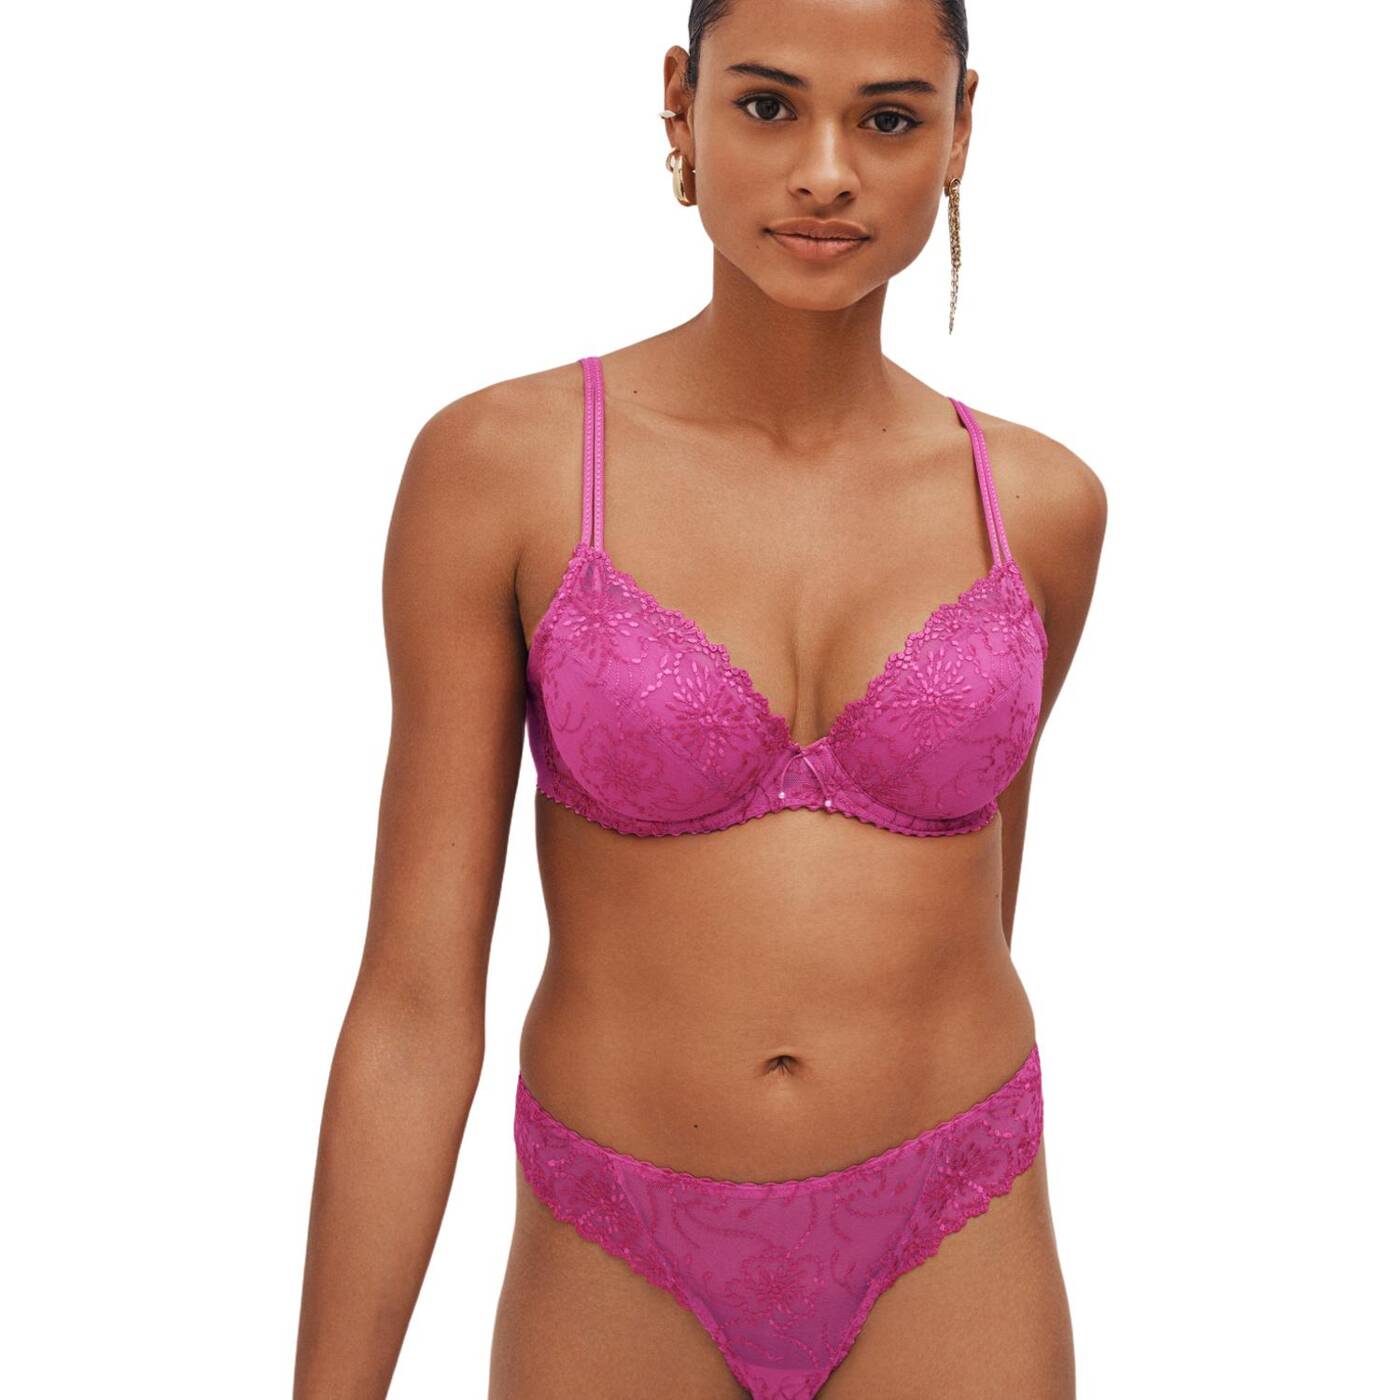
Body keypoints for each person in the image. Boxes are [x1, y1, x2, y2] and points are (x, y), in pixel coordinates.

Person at [294, 2, 1107, 1396]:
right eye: (769, 106)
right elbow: (415, 1006)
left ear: (963, 129)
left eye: (891, 118)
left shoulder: (1037, 506)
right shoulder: (505, 468)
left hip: (954, 1217)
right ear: (681, 102)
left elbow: (977, 905)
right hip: (618, 1233)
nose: (827, 172)